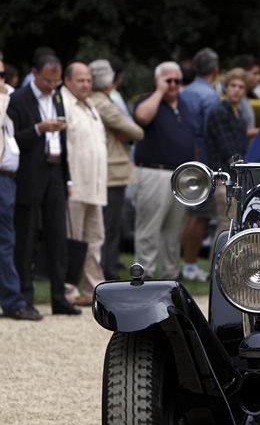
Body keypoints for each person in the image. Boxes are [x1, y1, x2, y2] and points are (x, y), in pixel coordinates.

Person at [7, 54, 79, 315]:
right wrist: (39, 128)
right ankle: (25, 296)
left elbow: (64, 140)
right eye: (47, 80)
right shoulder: (18, 99)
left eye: (56, 81)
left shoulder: (57, 96)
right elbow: (12, 139)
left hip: (56, 171)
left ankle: (59, 295)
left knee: (58, 235)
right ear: (35, 73)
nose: (51, 86)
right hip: (29, 173)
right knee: (26, 236)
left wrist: (67, 177)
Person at [132, 61, 199, 280]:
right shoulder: (148, 101)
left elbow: (194, 140)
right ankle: (145, 272)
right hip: (154, 171)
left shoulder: (185, 106)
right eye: (167, 80)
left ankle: (170, 273)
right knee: (149, 227)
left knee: (173, 230)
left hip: (180, 175)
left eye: (176, 81)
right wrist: (159, 92)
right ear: (158, 81)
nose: (172, 85)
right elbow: (142, 117)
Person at [89, 59, 143, 282]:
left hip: (111, 171)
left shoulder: (99, 101)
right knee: (107, 227)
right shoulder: (102, 102)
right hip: (111, 172)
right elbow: (136, 132)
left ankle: (107, 268)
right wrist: (125, 132)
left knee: (109, 226)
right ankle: (105, 270)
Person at [61, 62, 108, 305]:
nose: (85, 84)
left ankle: (93, 290)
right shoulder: (63, 104)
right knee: (72, 239)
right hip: (75, 185)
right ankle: (68, 290)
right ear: (67, 80)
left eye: (88, 80)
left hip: (95, 187)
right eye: (80, 80)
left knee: (94, 240)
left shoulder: (91, 105)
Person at [0, 57, 42, 319]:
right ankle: (13, 300)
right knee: (5, 242)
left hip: (8, 178)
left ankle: (13, 299)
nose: (2, 81)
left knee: (7, 241)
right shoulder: (4, 100)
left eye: (3, 74)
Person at [178, 47, 221, 282]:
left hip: (184, 158)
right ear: (216, 69)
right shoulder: (211, 96)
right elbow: (209, 131)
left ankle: (188, 264)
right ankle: (191, 266)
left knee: (191, 214)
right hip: (202, 160)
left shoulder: (185, 91)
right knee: (200, 214)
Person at [206, 68, 250, 242]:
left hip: (234, 179)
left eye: (241, 86)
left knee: (233, 226)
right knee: (226, 225)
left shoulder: (239, 114)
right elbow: (228, 151)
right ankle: (217, 268)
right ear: (226, 87)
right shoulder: (220, 112)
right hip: (223, 178)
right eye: (233, 85)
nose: (237, 89)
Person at [229, 53, 260, 141]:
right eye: (255, 74)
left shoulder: (247, 98)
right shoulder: (235, 102)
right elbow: (234, 133)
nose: (259, 78)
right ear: (243, 74)